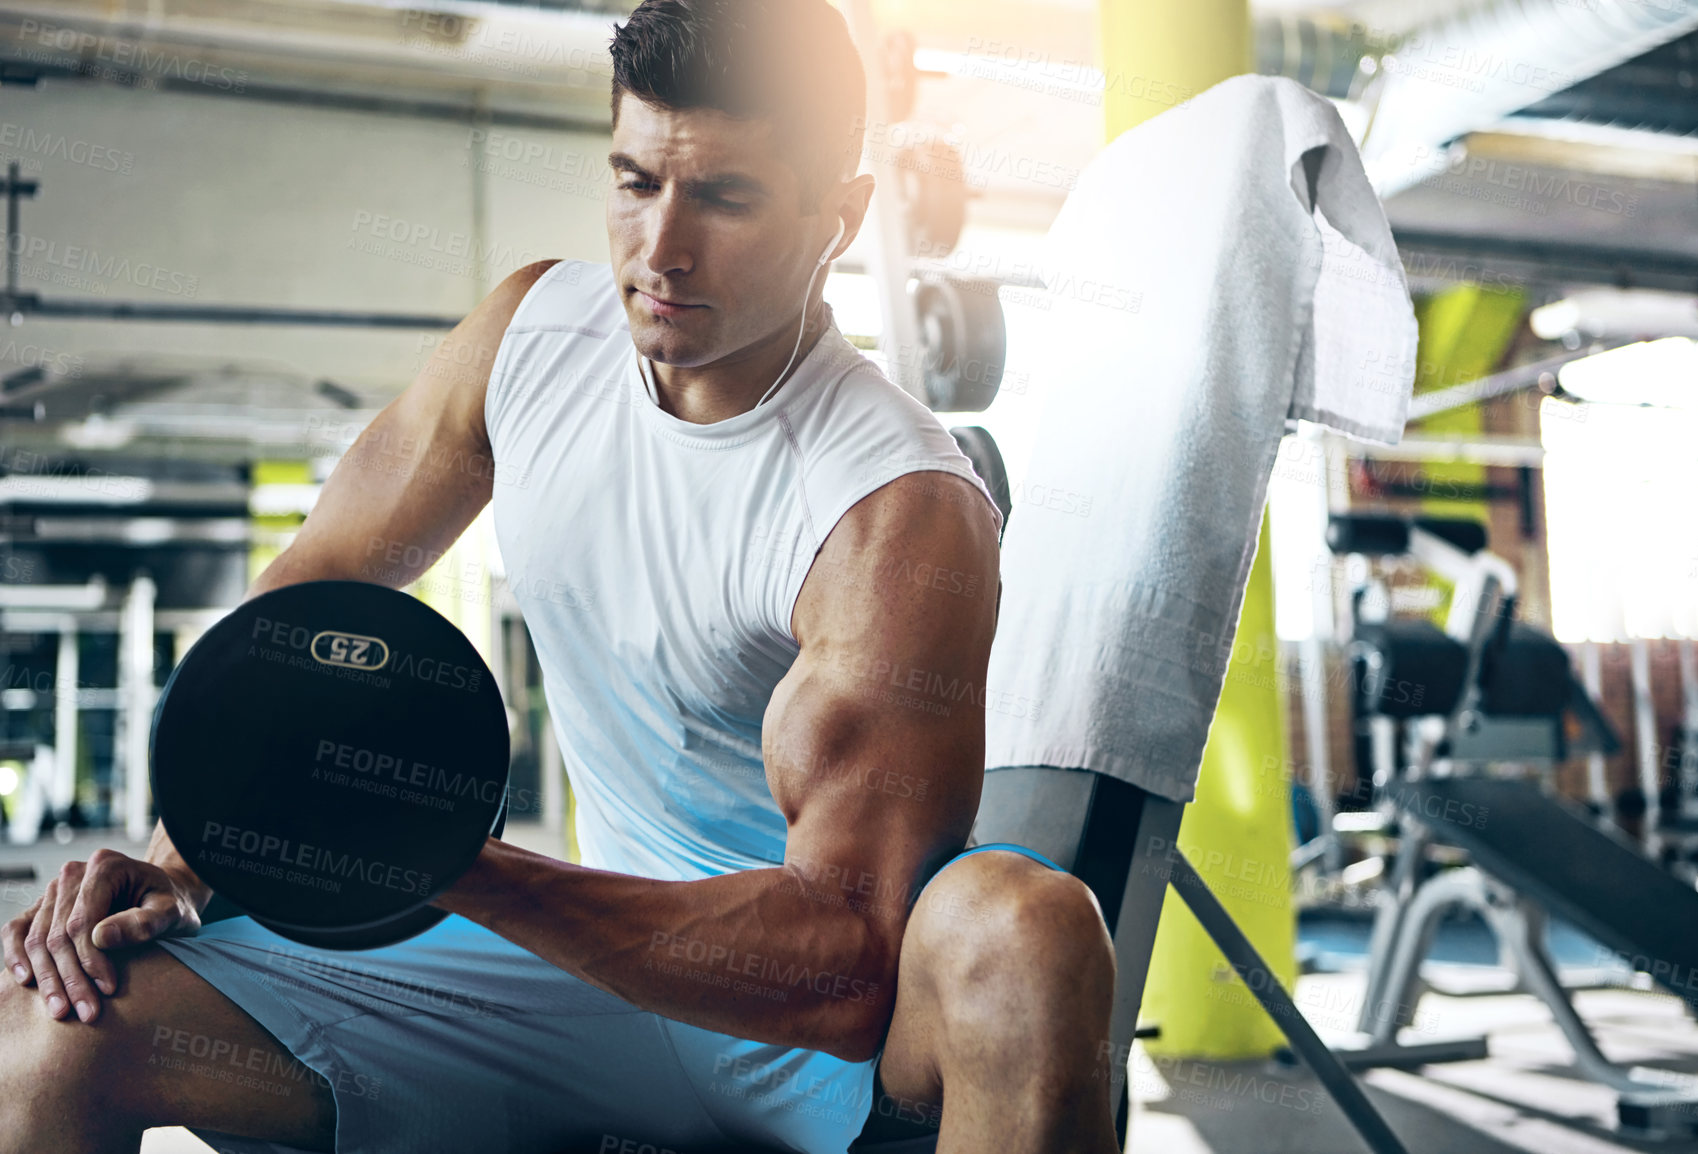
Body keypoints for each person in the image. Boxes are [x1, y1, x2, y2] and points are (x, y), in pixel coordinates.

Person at [0, 2, 1119, 1151]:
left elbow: (840, 968)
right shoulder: (530, 340)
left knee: (1026, 934)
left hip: (810, 1048)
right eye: (635, 182)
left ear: (840, 216)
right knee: (51, 1023)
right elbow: (307, 599)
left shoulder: (893, 510)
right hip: (584, 985)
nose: (661, 247)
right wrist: (188, 860)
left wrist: (435, 856)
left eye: (725, 199)